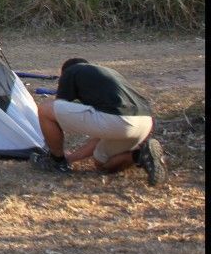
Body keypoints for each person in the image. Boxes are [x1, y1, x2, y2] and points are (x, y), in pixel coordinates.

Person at [30, 57, 167, 186]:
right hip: (144, 122)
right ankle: (140, 155)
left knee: (46, 109)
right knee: (102, 163)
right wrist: (71, 158)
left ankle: (56, 162)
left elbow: (58, 107)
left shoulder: (71, 71)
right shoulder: (109, 76)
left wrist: (57, 151)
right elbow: (100, 135)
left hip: (117, 120)